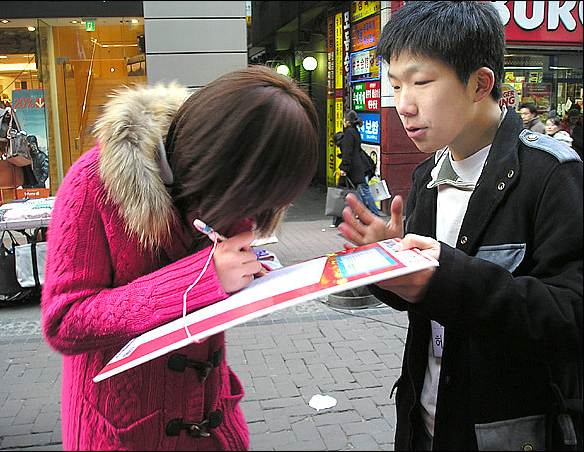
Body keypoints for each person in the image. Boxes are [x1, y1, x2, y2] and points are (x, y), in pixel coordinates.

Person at [339, 2, 583, 450]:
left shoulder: (551, 175)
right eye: (394, 85)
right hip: (424, 422)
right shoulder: (427, 176)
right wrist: (387, 264)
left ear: (480, 83)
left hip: (509, 432)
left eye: (421, 81)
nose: (403, 105)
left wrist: (443, 278)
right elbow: (425, 307)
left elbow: (570, 316)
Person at [41, 65, 319, 451]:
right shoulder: (93, 182)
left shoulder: (217, 184)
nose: (252, 213)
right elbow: (64, 321)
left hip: (211, 421)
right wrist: (203, 278)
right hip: (121, 431)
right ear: (220, 165)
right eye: (251, 198)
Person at [331, 110, 379, 228]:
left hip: (354, 169)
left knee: (358, 192)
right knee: (361, 192)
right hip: (359, 168)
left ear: (347, 121)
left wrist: (344, 168)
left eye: (343, 120)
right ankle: (366, 216)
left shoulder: (348, 133)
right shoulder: (355, 132)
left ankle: (370, 215)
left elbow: (348, 153)